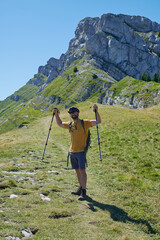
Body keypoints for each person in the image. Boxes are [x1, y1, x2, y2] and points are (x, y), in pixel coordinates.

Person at [53, 104, 101, 200]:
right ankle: (80, 188)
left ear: (78, 113)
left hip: (81, 151)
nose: (73, 114)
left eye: (74, 112)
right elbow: (60, 124)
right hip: (72, 151)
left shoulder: (85, 123)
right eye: (71, 113)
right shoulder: (70, 124)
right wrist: (56, 115)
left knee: (82, 171)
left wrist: (96, 111)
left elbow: (98, 121)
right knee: (77, 171)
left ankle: (84, 191)